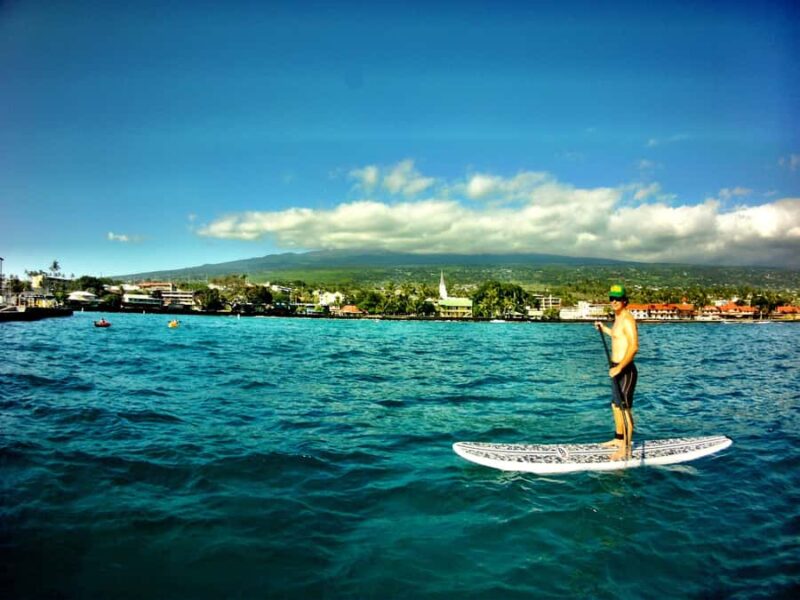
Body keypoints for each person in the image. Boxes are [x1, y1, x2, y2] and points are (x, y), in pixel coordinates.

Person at [594, 284, 639, 460]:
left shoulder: (628, 319)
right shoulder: (617, 318)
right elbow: (616, 335)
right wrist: (603, 328)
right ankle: (618, 439)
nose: (613, 301)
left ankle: (626, 449)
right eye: (611, 298)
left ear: (624, 301)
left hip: (625, 370)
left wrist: (619, 368)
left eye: (617, 299)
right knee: (615, 406)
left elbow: (634, 347)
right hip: (615, 368)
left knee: (624, 409)